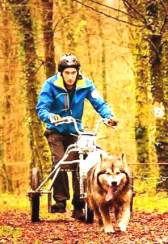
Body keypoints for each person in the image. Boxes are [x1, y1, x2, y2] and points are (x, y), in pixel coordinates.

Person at [36, 54, 118, 219]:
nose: (70, 77)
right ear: (61, 73)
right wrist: (50, 116)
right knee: (60, 161)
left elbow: (99, 103)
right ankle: (60, 201)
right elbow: (42, 107)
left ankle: (79, 205)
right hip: (55, 130)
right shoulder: (51, 85)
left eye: (73, 72)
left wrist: (109, 116)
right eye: (67, 73)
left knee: (81, 164)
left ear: (77, 72)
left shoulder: (86, 84)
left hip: (75, 130)